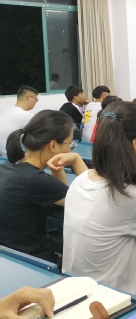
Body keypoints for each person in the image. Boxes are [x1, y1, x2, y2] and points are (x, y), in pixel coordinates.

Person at [63, 102, 136, 301]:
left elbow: (117, 210)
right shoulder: (129, 196)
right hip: (124, 304)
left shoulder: (80, 181)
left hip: (82, 295)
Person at [0, 110, 87, 263]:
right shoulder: (36, 180)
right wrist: (76, 159)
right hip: (34, 261)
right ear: (53, 145)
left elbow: (58, 193)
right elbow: (93, 200)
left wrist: (56, 168)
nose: (70, 150)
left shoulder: (8, 167)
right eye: (70, 145)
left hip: (9, 257)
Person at [0, 86, 38, 156]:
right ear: (28, 98)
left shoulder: (7, 111)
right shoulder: (25, 115)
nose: (36, 102)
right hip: (13, 157)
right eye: (36, 99)